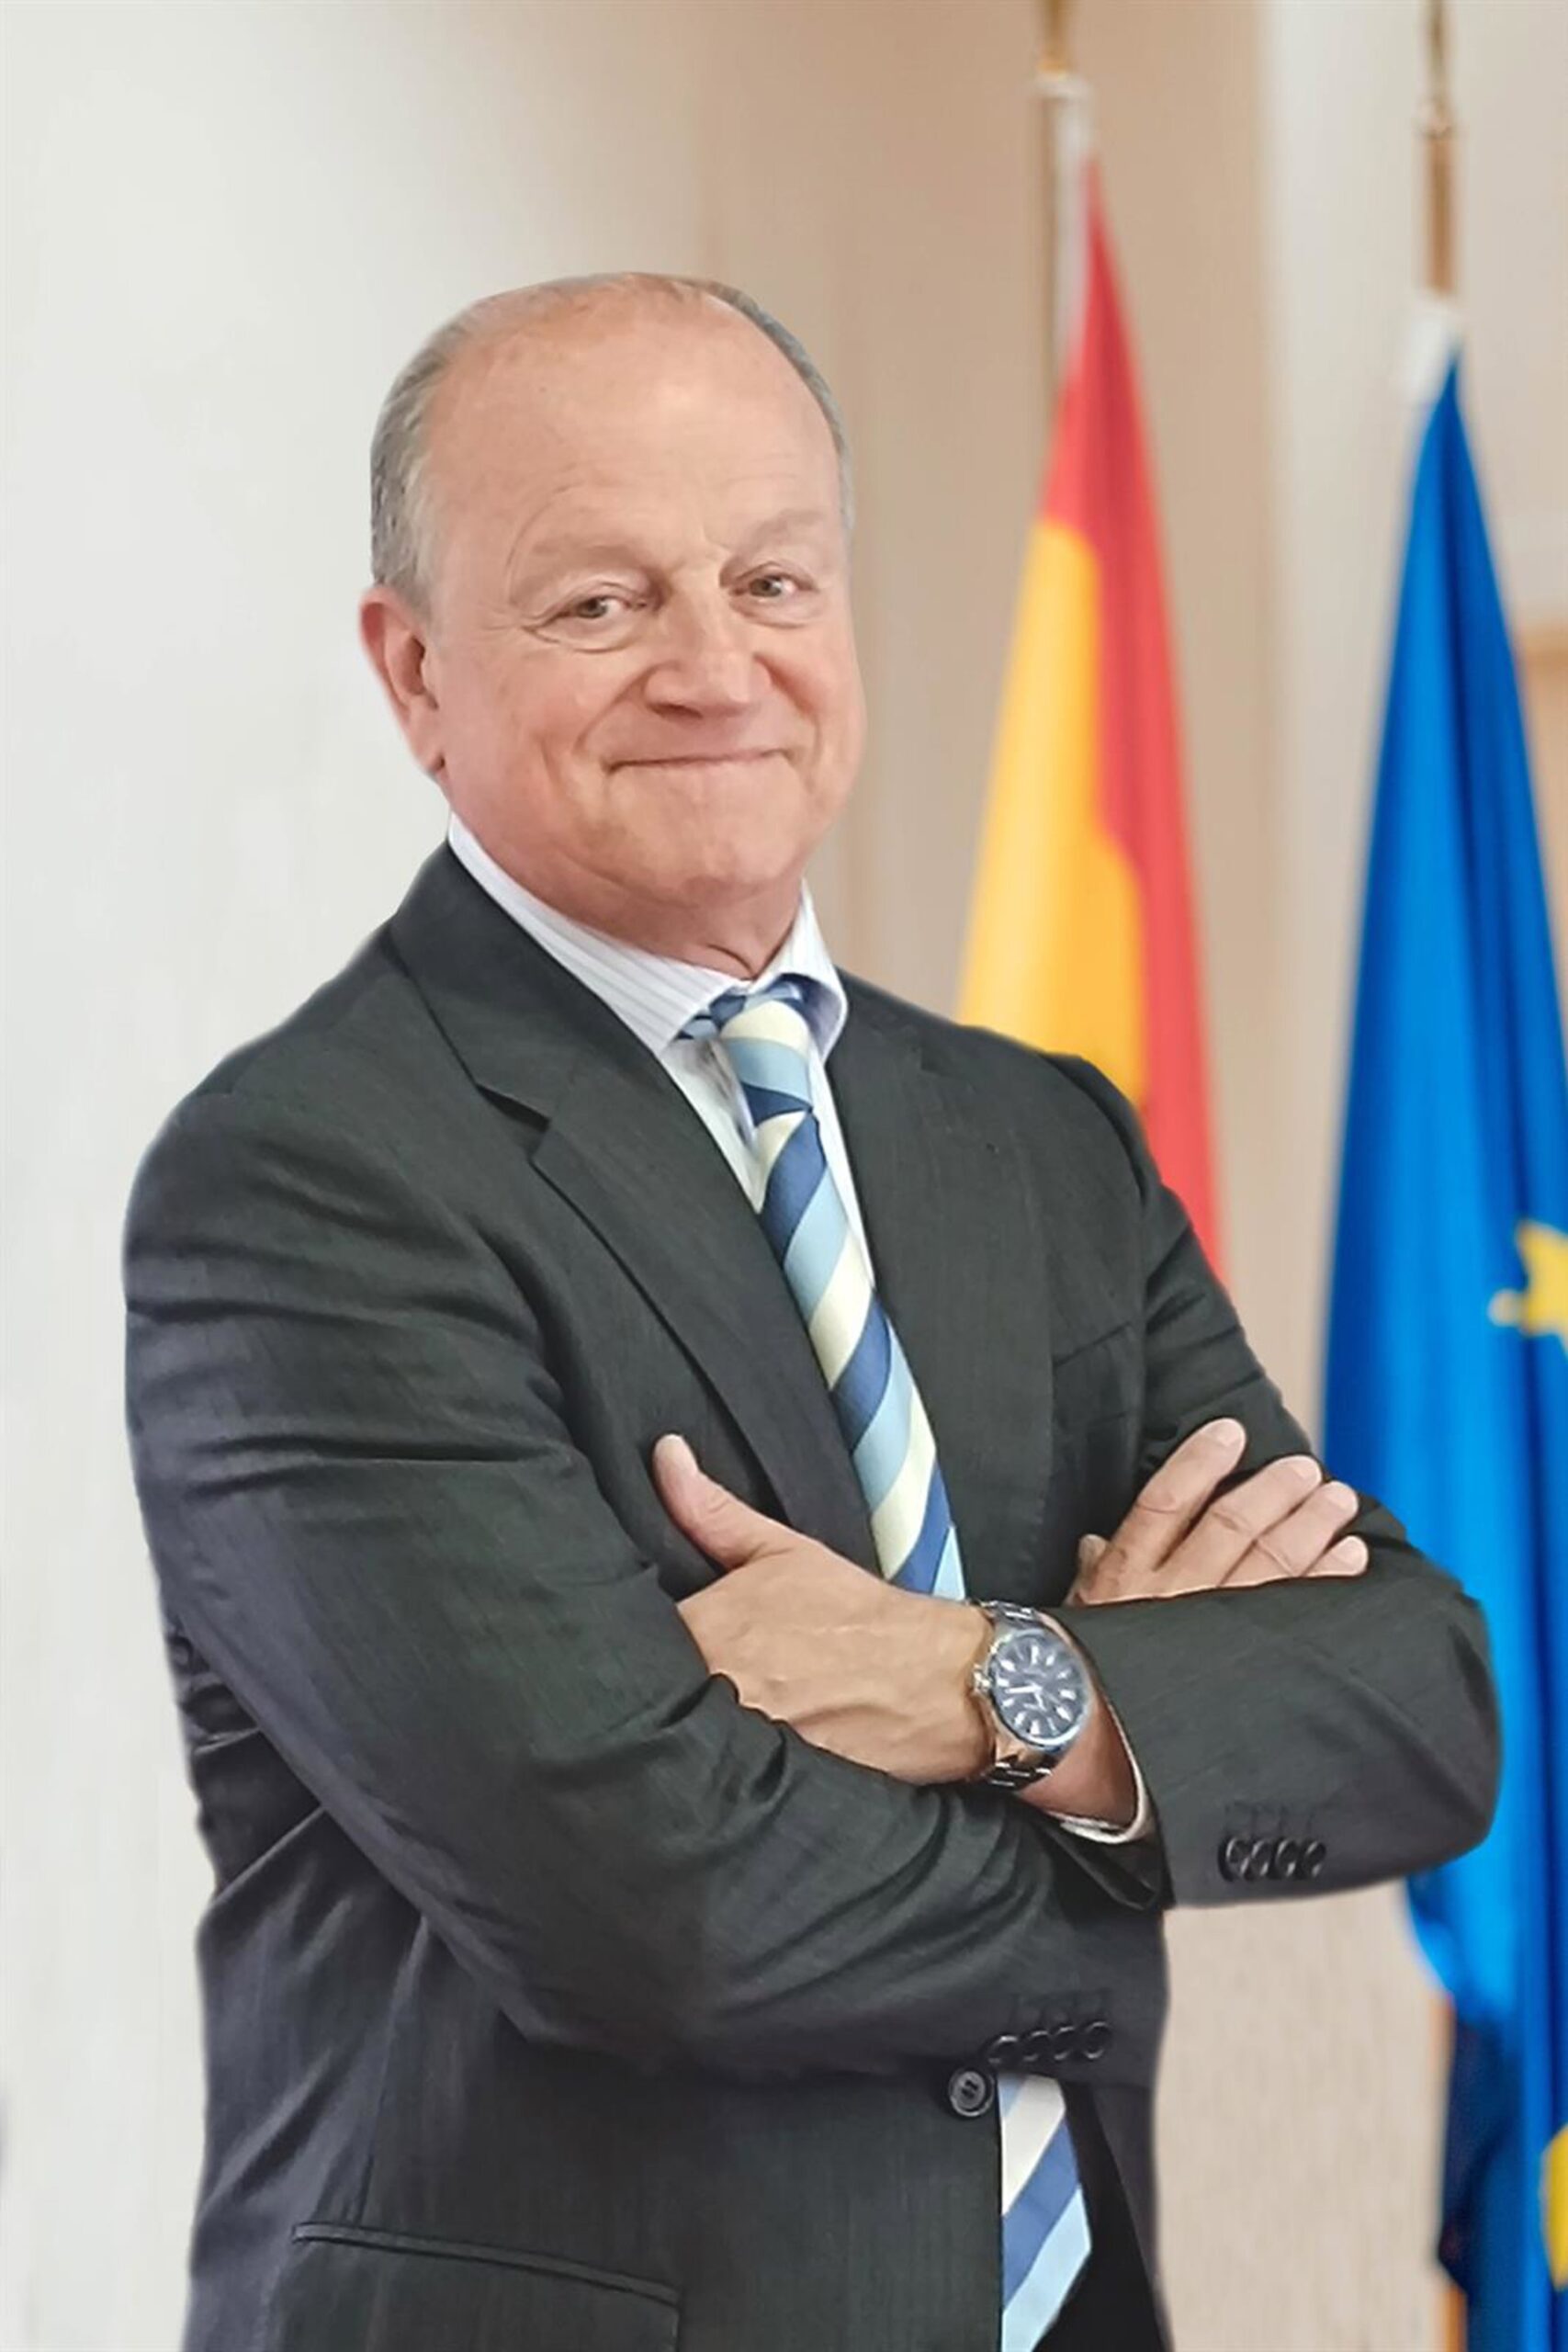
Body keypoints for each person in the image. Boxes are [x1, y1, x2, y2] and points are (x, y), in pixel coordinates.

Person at [120, 270, 1499, 2352]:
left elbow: (1419, 1722)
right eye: (600, 602)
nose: (713, 666)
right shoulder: (309, 1184)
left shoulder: (1034, 1138)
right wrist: (1143, 1817)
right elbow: (661, 1922)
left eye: (771, 578)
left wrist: (985, 1683)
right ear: (413, 672)